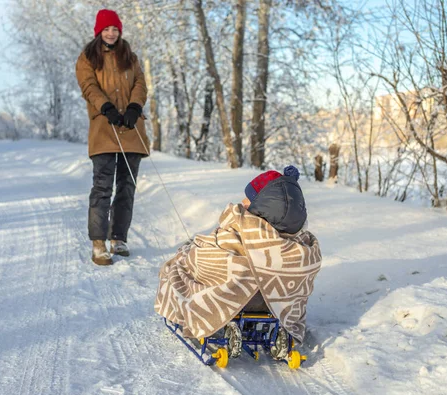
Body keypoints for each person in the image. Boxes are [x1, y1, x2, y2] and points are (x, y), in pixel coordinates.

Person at [154, 165, 322, 356]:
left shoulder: (241, 229)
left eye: (249, 198)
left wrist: (191, 253)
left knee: (181, 265)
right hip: (273, 302)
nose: (243, 201)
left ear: (262, 205)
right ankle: (280, 326)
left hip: (234, 295)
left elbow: (212, 256)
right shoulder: (301, 245)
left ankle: (217, 316)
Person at [75, 9, 149, 265]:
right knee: (103, 187)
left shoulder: (130, 56)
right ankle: (99, 243)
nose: (111, 33)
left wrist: (134, 107)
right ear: (99, 31)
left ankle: (119, 238)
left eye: (115, 29)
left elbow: (140, 83)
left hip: (131, 130)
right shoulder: (88, 57)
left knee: (126, 187)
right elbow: (88, 86)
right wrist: (106, 107)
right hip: (104, 129)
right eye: (106, 29)